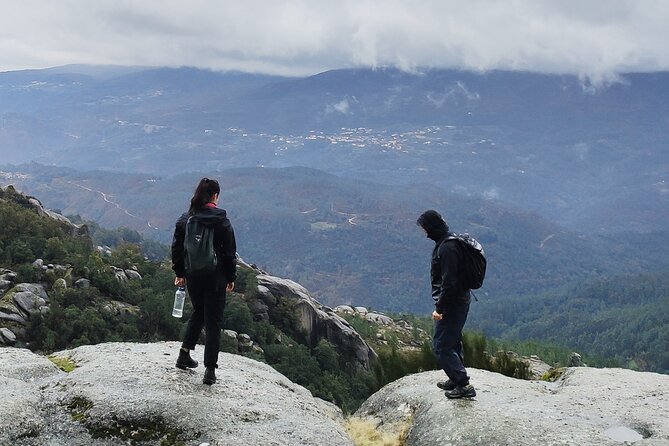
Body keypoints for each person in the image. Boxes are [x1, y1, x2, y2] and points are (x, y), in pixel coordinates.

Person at [171, 177, 237, 385]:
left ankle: (184, 354)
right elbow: (229, 253)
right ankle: (210, 370)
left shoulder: (186, 219)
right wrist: (231, 277)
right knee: (213, 321)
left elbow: (177, 249)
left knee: (199, 312)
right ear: (215, 196)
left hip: (193, 276)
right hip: (215, 278)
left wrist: (180, 273)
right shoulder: (221, 221)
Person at [417, 210, 476, 399]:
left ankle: (463, 385)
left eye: (426, 228)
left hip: (453, 302)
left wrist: (439, 308)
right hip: (458, 300)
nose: (425, 233)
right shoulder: (447, 242)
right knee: (453, 340)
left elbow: (449, 283)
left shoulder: (447, 248)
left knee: (441, 345)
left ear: (433, 227)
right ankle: (455, 376)